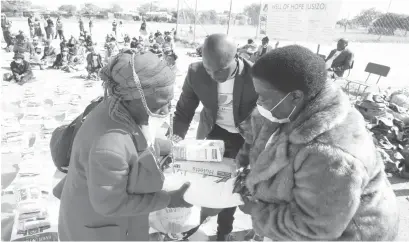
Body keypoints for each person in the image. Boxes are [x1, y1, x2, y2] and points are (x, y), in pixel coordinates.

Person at [238, 45, 399, 241]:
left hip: (351, 234)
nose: (259, 102)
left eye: (264, 96)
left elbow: (314, 228)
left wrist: (257, 212)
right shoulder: (287, 109)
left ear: (296, 96)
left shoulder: (331, 154)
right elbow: (260, 141)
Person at [57, 49, 191, 241]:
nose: (166, 110)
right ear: (135, 99)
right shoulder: (109, 146)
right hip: (100, 231)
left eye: (170, 102)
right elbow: (110, 204)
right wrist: (168, 200)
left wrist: (172, 149)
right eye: (159, 105)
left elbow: (143, 141)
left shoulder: (119, 105)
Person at [169, 33, 258, 241]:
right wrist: (174, 140)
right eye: (209, 69)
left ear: (236, 58)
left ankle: (224, 232)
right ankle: (197, 223)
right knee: (205, 180)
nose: (214, 75)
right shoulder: (195, 73)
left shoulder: (255, 76)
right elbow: (183, 111)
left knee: (234, 185)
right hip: (213, 132)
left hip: (246, 137)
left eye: (220, 70)